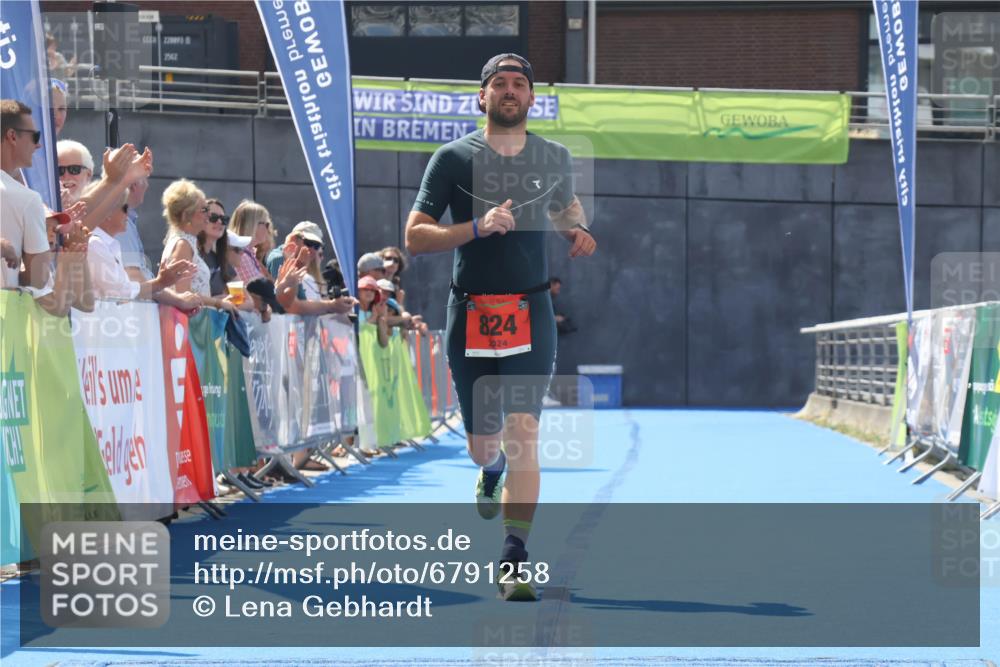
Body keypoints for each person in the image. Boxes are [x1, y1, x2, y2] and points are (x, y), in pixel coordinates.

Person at [404, 53, 597, 601]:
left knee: (525, 434)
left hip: (531, 312)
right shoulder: (452, 158)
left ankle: (514, 556)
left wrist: (576, 229)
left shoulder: (554, 156)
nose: (510, 91)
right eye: (499, 84)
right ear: (481, 98)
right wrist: (476, 227)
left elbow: (565, 204)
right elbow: (416, 235)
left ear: (532, 98)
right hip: (470, 313)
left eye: (519, 84)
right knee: (483, 446)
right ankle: (489, 472)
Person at [160, 179, 238, 315]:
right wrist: (217, 302)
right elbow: (182, 294)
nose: (209, 214)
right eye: (204, 209)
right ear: (186, 215)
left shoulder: (186, 243)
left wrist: (213, 300)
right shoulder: (183, 244)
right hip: (188, 326)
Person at [1, 99, 51, 289]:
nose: (38, 145)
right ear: (12, 136)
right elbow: (38, 278)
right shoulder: (27, 200)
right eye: (35, 137)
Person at [265, 221, 356, 316]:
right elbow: (290, 305)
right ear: (294, 239)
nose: (313, 250)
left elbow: (300, 301)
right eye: (309, 243)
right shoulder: (279, 258)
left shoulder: (296, 262)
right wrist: (331, 305)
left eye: (317, 246)